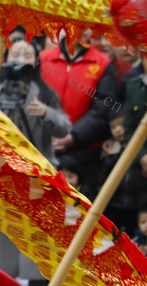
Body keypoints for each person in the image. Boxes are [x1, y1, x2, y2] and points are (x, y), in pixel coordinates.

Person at [41, 31, 119, 199]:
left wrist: (72, 136)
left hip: (83, 156)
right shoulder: (43, 59)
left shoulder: (103, 64)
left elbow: (102, 110)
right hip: (43, 150)